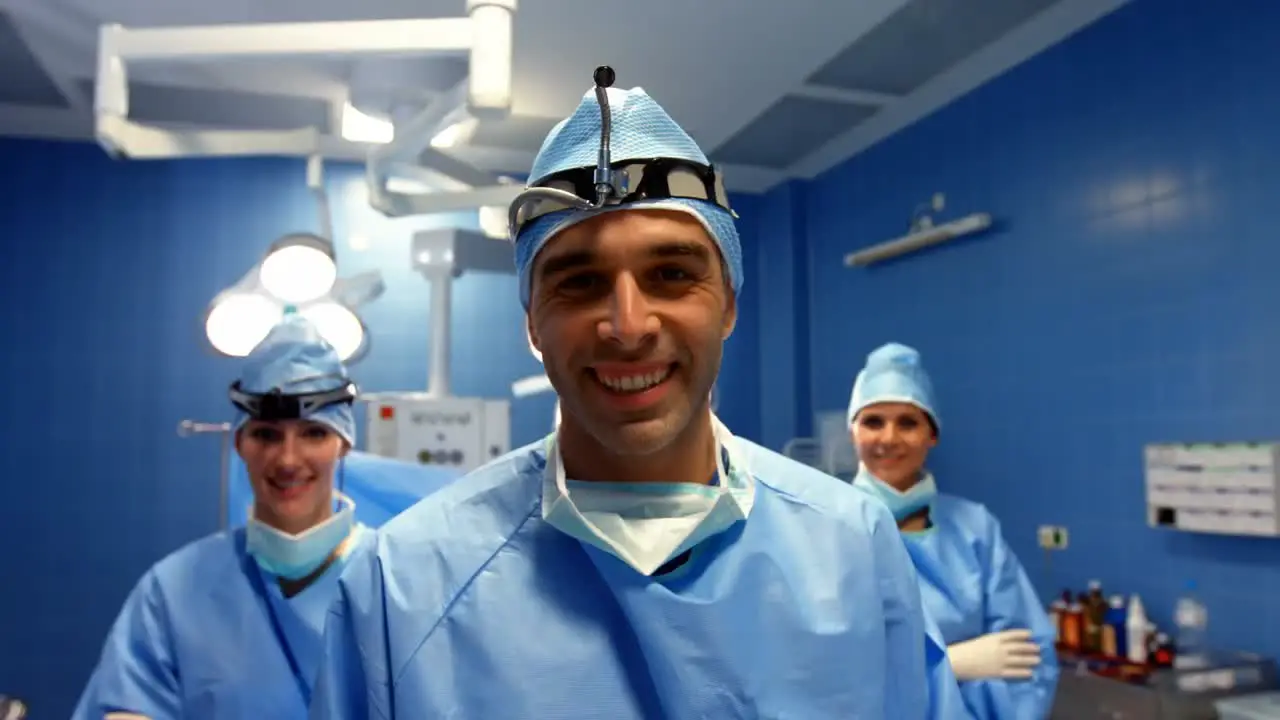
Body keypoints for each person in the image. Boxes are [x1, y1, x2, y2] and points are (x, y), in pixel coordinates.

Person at [311, 69, 967, 719]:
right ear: (532, 323)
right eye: (579, 282)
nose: (628, 326)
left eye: (672, 274)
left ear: (729, 306)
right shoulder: (402, 586)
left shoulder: (851, 548)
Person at [73, 316, 451, 719]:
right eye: (267, 435)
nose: (288, 459)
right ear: (240, 444)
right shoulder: (176, 592)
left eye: (313, 433)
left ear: (343, 445)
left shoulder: (396, 585)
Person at [848, 342, 1060, 719]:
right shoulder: (828, 526)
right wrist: (947, 665)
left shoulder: (974, 528)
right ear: (853, 432)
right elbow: (824, 674)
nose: (889, 438)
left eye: (908, 422)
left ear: (933, 435)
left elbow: (1028, 660)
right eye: (873, 421)